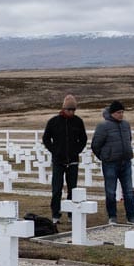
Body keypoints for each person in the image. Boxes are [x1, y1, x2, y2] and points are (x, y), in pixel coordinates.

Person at [42, 94, 88, 225]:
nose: (72, 112)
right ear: (64, 109)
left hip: (72, 161)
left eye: (74, 110)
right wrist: (54, 151)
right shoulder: (53, 122)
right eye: (69, 109)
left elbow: (83, 139)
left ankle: (71, 214)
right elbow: (46, 138)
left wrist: (77, 150)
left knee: (72, 188)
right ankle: (55, 214)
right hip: (58, 161)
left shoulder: (78, 122)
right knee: (57, 189)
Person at [90, 100, 134, 225]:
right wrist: (104, 157)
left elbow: (129, 139)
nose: (121, 114)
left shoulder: (126, 125)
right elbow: (96, 144)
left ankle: (132, 216)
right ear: (112, 113)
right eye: (118, 112)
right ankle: (112, 217)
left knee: (129, 191)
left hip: (125, 162)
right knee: (110, 191)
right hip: (110, 163)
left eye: (122, 112)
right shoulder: (103, 126)